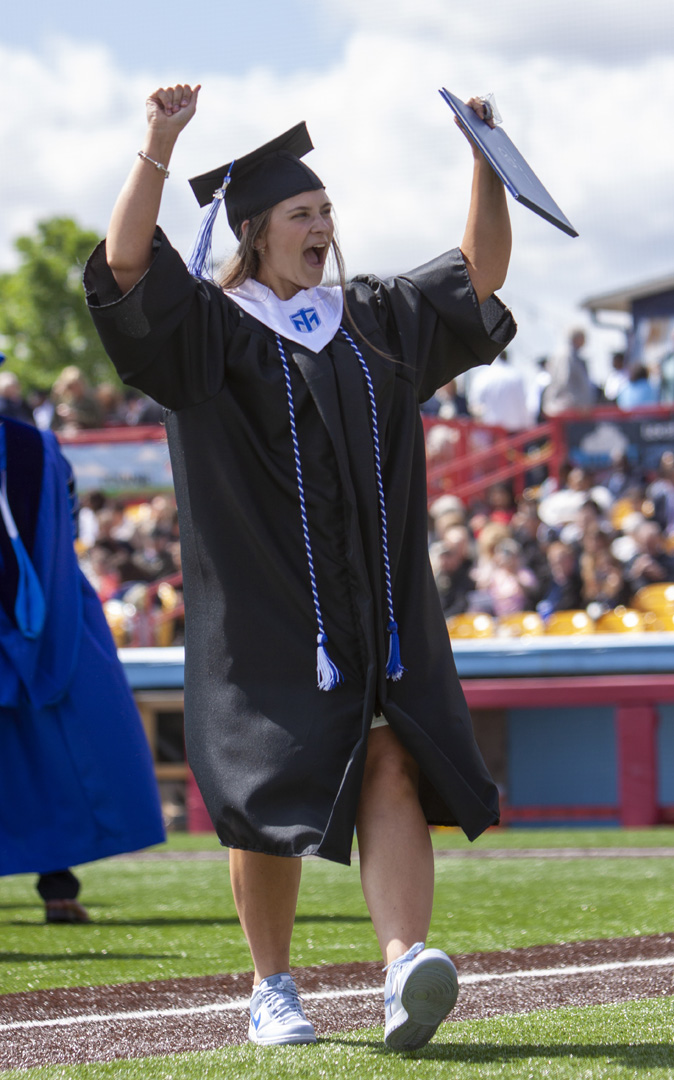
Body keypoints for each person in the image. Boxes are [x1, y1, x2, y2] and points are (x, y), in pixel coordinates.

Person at [84, 82, 515, 1052]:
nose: (322, 224)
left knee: (393, 759)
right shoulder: (213, 330)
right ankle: (270, 987)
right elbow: (122, 265)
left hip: (378, 605)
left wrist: (487, 166)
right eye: (300, 213)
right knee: (262, 797)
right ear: (256, 230)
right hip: (259, 611)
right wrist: (156, 146)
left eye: (325, 209)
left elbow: (478, 276)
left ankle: (405, 965)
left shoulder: (365, 318)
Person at [0, 413, 165, 922]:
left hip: (41, 602)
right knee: (56, 746)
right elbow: (64, 515)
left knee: (39, 747)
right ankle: (57, 882)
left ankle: (57, 880)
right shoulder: (35, 446)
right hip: (52, 605)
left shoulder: (34, 446)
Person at [541, 329, 595, 416]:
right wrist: (577, 402)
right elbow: (563, 380)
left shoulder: (571, 354)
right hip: (566, 408)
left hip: (569, 408)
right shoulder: (567, 355)